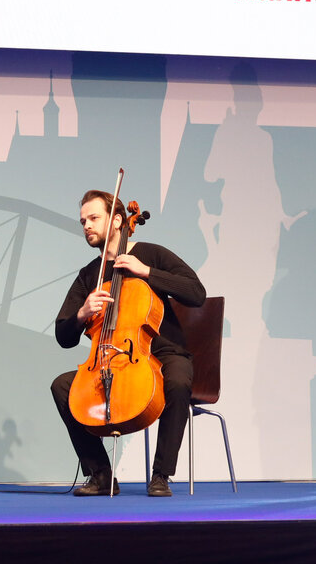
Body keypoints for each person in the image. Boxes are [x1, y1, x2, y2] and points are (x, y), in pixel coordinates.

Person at [49, 190, 206, 497]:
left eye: (94, 218)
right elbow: (63, 336)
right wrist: (82, 314)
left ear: (118, 220)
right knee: (62, 386)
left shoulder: (150, 254)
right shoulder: (88, 276)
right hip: (110, 361)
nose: (87, 226)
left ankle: (161, 475)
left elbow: (196, 292)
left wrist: (145, 271)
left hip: (164, 352)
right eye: (83, 221)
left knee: (176, 381)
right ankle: (101, 474)